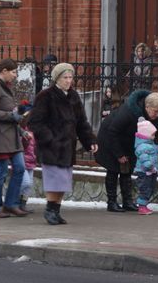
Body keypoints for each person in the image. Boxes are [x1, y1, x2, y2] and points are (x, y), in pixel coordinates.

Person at [28, 63, 98, 225]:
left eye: (70, 77)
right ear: (56, 79)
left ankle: (56, 210)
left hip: (67, 146)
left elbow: (82, 122)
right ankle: (49, 210)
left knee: (64, 181)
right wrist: (50, 138)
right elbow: (35, 122)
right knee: (55, 179)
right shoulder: (45, 96)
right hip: (51, 147)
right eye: (64, 78)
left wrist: (90, 140)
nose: (68, 81)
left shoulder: (73, 96)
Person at [95, 90, 158, 212]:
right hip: (110, 138)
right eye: (155, 112)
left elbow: (154, 134)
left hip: (129, 141)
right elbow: (113, 132)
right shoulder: (128, 112)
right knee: (113, 169)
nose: (157, 115)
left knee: (127, 170)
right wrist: (119, 154)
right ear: (147, 107)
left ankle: (127, 201)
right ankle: (111, 202)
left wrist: (155, 148)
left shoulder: (156, 116)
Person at [0, 58, 27, 218]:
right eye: (14, 72)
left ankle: (10, 204)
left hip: (12, 136)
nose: (15, 75)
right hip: (0, 137)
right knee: (0, 172)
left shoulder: (6, 87)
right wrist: (11, 115)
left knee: (20, 168)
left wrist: (19, 114)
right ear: (4, 71)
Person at [133, 117, 158, 215]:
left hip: (151, 171)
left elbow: (157, 150)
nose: (154, 136)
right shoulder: (142, 146)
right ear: (145, 135)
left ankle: (144, 205)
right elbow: (144, 158)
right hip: (144, 171)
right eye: (152, 134)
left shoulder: (150, 144)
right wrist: (149, 166)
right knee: (145, 188)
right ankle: (142, 207)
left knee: (150, 188)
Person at [18, 101, 36, 213]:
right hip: (23, 159)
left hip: (31, 160)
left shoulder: (35, 131)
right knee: (25, 183)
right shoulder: (22, 130)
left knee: (29, 185)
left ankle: (22, 204)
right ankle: (13, 200)